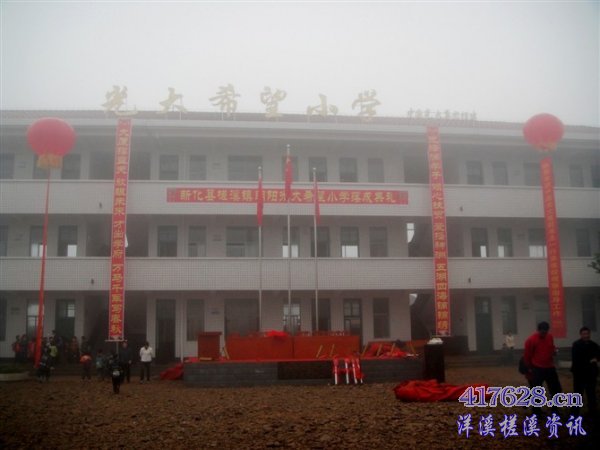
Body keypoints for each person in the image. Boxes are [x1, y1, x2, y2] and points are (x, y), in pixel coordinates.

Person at [523, 321, 562, 413]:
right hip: (537, 368)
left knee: (556, 388)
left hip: (549, 367)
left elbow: (552, 347)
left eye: (546, 332)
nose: (544, 334)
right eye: (542, 332)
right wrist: (529, 369)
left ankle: (555, 408)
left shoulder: (550, 337)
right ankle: (537, 411)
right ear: (538, 330)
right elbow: (527, 355)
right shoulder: (531, 340)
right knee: (537, 391)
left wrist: (554, 351)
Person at [571, 326, 600, 414]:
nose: (586, 335)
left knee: (591, 393)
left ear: (589, 334)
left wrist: (596, 359)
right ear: (580, 335)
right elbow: (576, 359)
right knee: (577, 393)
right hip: (579, 374)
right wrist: (590, 361)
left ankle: (592, 411)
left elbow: (598, 355)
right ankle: (575, 412)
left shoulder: (594, 345)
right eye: (584, 334)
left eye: (587, 333)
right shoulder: (576, 345)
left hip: (591, 374)